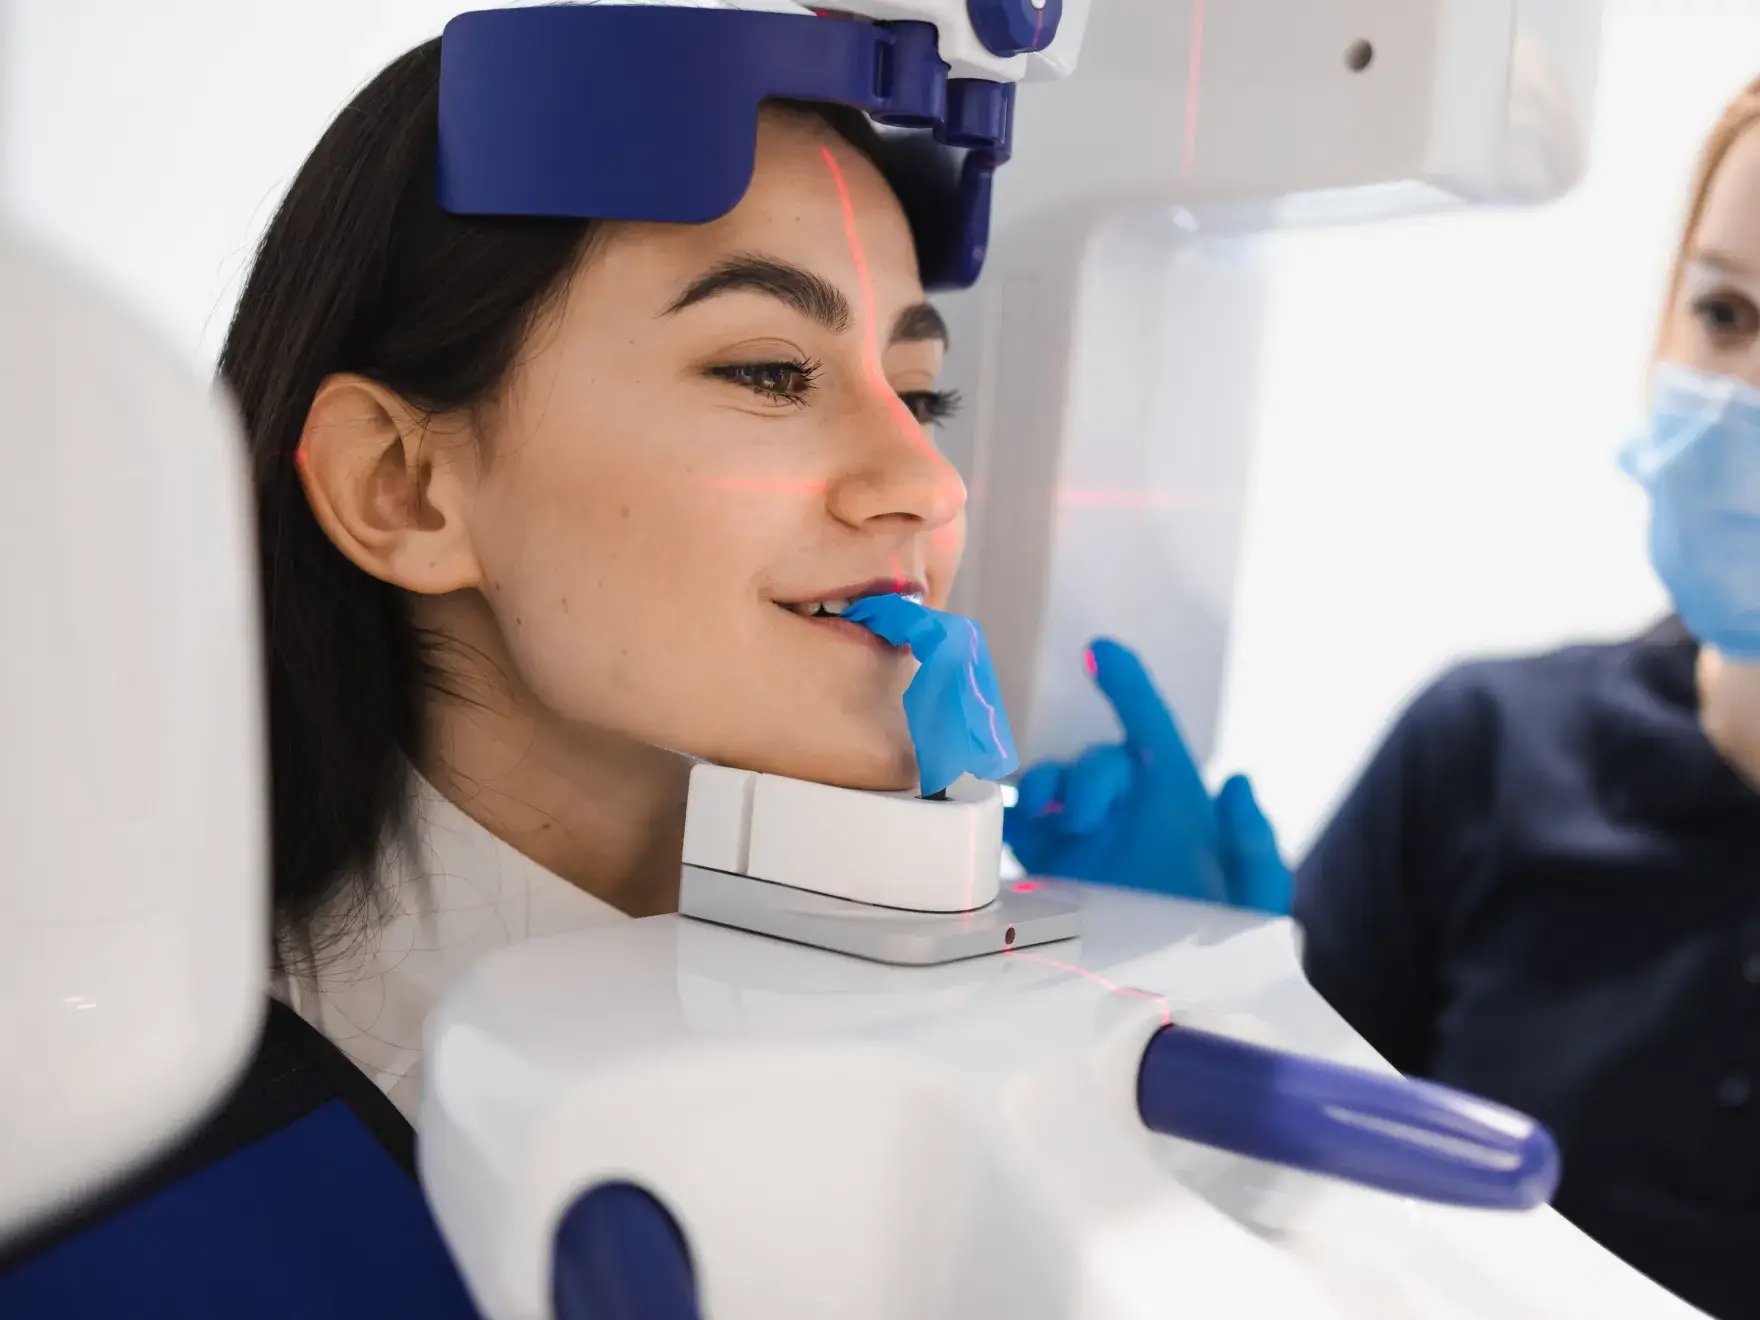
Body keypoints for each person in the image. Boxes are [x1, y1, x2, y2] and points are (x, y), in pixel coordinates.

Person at [0, 30, 970, 1314]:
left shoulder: (951, 1011)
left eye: (921, 394)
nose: (925, 482)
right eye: (767, 371)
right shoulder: (146, 1160)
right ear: (399, 487)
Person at [1007, 78, 1760, 1320]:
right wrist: (1171, 986)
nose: (1744, 402)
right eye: (1724, 312)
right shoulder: (1485, 752)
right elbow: (1246, 1190)